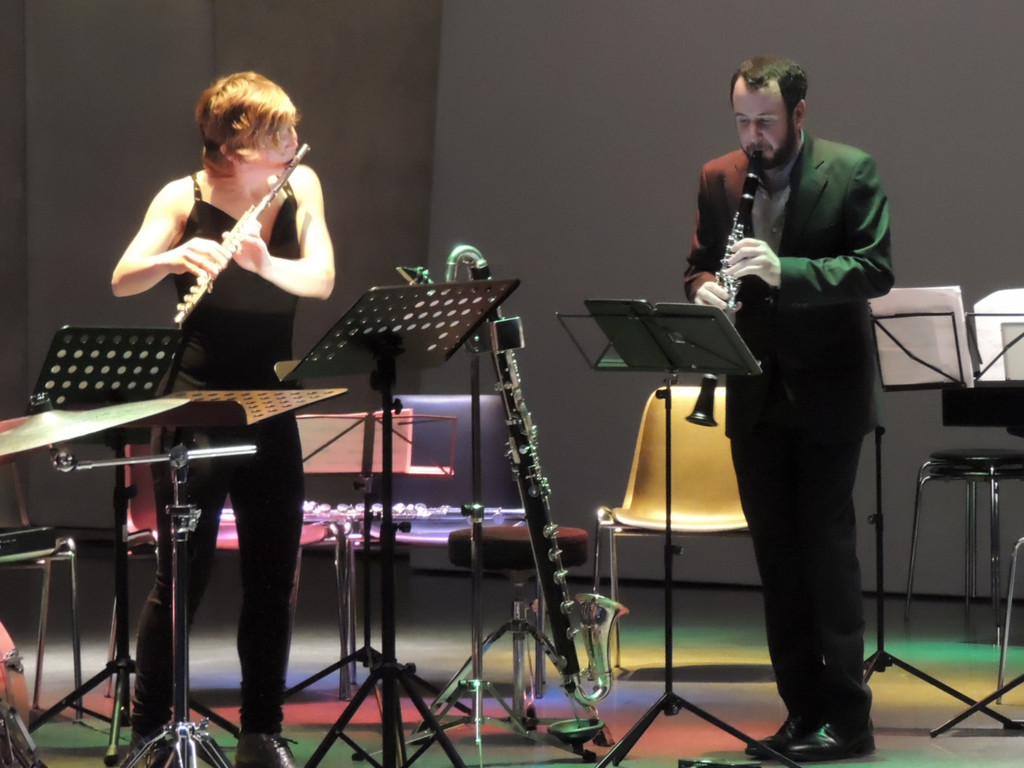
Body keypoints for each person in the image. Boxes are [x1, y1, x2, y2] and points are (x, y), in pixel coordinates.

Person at [111, 71, 335, 768]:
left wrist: (264, 262)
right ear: (238, 144)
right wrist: (173, 256)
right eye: (278, 131)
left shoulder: (301, 186)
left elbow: (321, 279)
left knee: (272, 578)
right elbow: (123, 279)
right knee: (182, 578)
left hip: (271, 406)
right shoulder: (183, 196)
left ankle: (260, 732)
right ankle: (151, 729)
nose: (293, 139)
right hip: (195, 407)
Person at [684, 56, 893, 762]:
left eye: (766, 122)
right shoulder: (719, 177)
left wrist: (787, 271)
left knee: (826, 556)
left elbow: (875, 268)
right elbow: (698, 262)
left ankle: (850, 721)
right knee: (777, 560)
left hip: (828, 393)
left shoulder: (851, 171)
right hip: (753, 390)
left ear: (799, 114)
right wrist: (703, 287)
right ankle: (802, 712)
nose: (754, 136)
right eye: (743, 121)